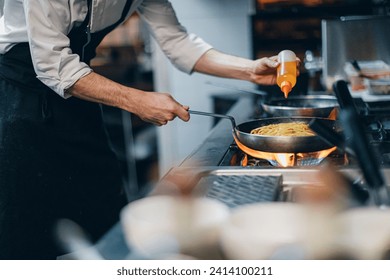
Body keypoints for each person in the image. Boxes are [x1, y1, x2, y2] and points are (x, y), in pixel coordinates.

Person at [0, 0, 282, 260]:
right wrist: (138, 101)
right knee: (25, 229)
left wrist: (249, 70)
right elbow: (54, 66)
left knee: (105, 215)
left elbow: (178, 42)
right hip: (19, 98)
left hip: (75, 97)